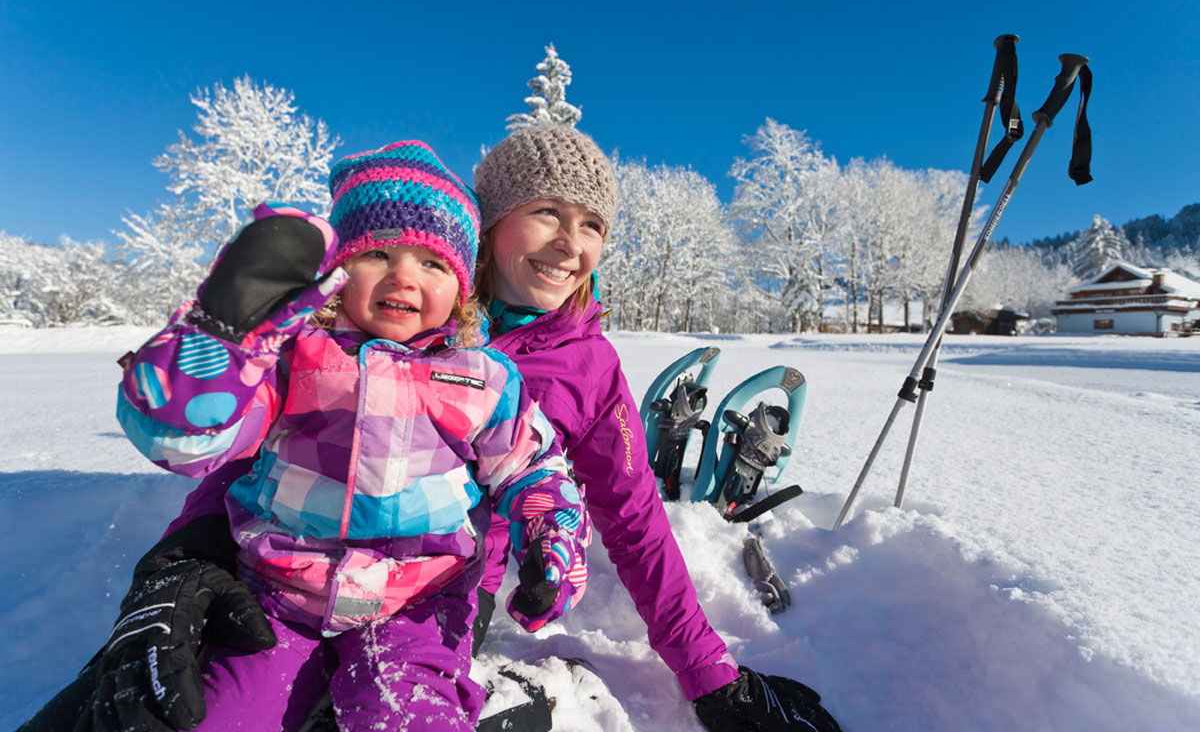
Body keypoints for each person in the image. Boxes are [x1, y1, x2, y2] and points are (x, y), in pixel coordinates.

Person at [25, 128, 841, 732]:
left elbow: (632, 524)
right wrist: (175, 565)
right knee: (120, 710)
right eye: (546, 213)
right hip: (282, 578)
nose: (573, 244)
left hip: (432, 605)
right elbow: (251, 443)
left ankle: (527, 698)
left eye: (593, 225)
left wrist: (710, 678)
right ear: (485, 226)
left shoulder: (576, 368)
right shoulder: (368, 320)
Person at [69, 140, 589, 732]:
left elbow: (533, 466)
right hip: (276, 593)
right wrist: (216, 354)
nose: (403, 276)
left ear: (463, 288)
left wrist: (553, 539)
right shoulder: (292, 358)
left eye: (433, 263)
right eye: (379, 254)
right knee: (213, 717)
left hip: (417, 604)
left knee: (409, 719)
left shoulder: (482, 378)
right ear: (337, 272)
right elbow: (194, 444)